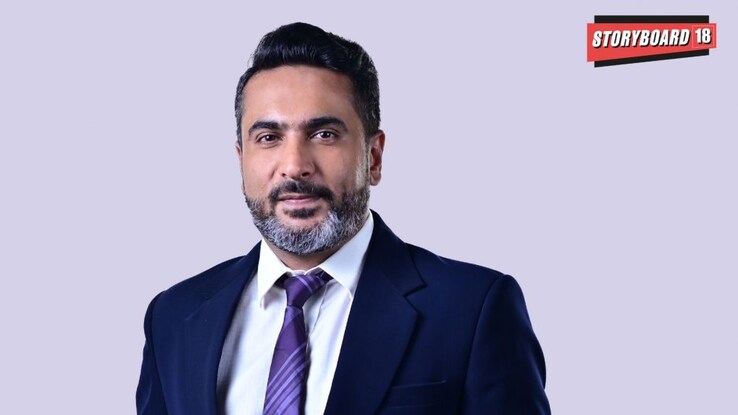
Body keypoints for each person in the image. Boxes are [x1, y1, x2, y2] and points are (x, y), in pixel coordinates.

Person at [136, 22, 551, 415]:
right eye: (269, 138)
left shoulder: (472, 310)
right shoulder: (172, 318)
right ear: (242, 160)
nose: (294, 166)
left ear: (373, 157)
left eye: (324, 135)